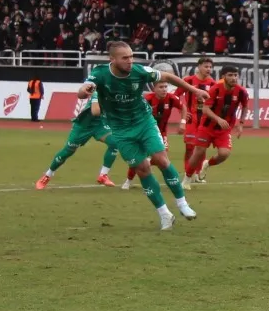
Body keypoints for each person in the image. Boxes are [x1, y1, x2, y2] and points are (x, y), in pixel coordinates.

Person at [75, 40, 209, 229]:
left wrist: (194, 90)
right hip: (121, 130)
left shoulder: (139, 71)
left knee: (161, 160)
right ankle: (164, 214)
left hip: (144, 122)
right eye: (125, 58)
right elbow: (82, 92)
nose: (130, 61)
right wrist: (84, 90)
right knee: (143, 170)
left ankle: (182, 203)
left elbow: (168, 77)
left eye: (131, 56)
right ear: (112, 59)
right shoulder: (100, 74)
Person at [35, 79, 123, 189]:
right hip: (83, 126)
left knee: (115, 143)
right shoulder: (98, 93)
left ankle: (103, 175)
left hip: (99, 125)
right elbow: (95, 111)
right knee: (67, 152)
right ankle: (47, 175)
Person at [125, 80, 190, 190]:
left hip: (162, 133)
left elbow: (183, 107)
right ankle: (129, 181)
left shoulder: (171, 98)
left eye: (165, 86)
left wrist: (183, 122)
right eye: (161, 87)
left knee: (162, 157)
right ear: (154, 89)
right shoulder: (147, 100)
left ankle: (168, 179)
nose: (164, 89)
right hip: (145, 133)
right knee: (139, 158)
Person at [186, 67, 246, 183]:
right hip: (207, 127)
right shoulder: (215, 89)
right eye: (230, 75)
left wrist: (241, 123)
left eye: (235, 75)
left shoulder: (241, 91)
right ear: (223, 77)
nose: (234, 78)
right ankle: (187, 179)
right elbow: (205, 109)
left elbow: (245, 106)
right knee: (199, 152)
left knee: (224, 154)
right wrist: (218, 119)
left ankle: (207, 164)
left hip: (224, 129)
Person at [181, 57, 217, 182]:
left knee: (201, 147)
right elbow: (175, 96)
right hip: (192, 119)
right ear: (199, 67)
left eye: (210, 67)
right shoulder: (189, 81)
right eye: (206, 66)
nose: (208, 69)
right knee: (190, 147)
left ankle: (197, 174)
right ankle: (188, 174)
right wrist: (183, 112)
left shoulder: (213, 84)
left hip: (205, 120)